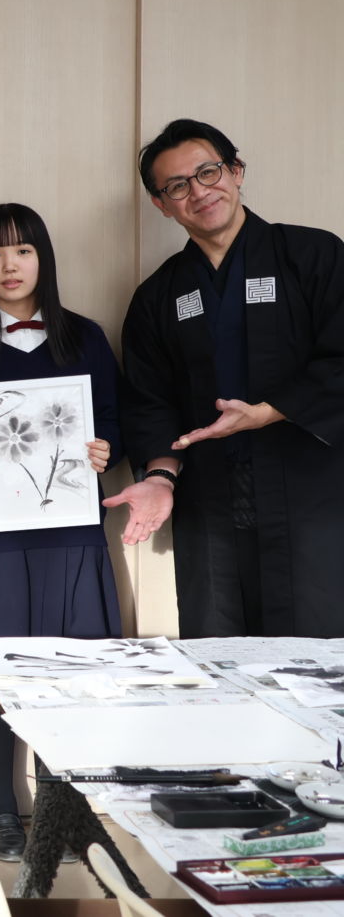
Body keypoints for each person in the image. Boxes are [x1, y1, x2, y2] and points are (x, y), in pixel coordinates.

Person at [0, 203, 122, 861]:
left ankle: (57, 813)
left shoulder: (86, 339)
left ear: (43, 259)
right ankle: (2, 809)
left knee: (66, 675)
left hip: (71, 531)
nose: (9, 266)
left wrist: (106, 448)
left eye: (22, 250)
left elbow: (114, 422)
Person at [103, 119, 344, 638]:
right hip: (210, 506)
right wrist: (160, 478)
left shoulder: (313, 255)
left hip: (311, 499)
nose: (198, 192)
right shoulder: (157, 297)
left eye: (208, 172)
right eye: (177, 185)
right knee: (218, 653)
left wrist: (270, 411)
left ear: (236, 172)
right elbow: (149, 402)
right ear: (161, 204)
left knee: (316, 658)